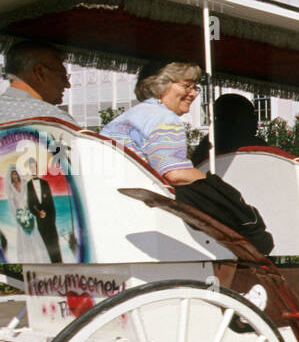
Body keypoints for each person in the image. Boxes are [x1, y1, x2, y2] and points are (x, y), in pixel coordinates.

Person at [102, 61, 272, 253]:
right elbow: (175, 174)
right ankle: (257, 240)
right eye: (186, 86)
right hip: (150, 206)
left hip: (116, 202)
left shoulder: (126, 118)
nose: (193, 94)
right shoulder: (165, 118)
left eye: (195, 87)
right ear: (161, 85)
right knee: (223, 195)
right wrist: (215, 185)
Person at [0, 42, 77, 127]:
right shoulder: (55, 122)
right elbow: (66, 148)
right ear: (39, 72)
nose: (67, 85)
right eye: (62, 76)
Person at [190, 93, 262, 168]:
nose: (256, 121)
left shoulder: (206, 145)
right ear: (236, 119)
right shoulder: (210, 147)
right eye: (251, 116)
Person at [23, 156, 62, 263]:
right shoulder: (28, 185)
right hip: (40, 222)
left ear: (37, 168)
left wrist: (52, 219)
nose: (33, 169)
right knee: (47, 245)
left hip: (50, 220)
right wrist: (38, 213)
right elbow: (30, 205)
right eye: (30, 168)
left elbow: (51, 203)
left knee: (55, 243)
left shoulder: (45, 183)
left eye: (34, 167)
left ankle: (60, 264)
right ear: (29, 170)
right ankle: (54, 266)